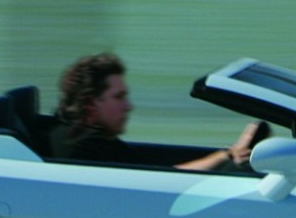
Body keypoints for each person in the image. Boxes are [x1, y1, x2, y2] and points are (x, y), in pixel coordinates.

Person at [50, 52, 265, 171]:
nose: (129, 106)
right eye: (119, 97)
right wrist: (226, 155)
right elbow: (165, 179)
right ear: (90, 104)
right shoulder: (85, 147)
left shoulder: (77, 134)